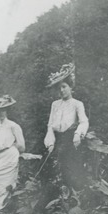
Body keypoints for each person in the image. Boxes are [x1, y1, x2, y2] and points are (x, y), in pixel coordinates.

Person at [43, 63, 89, 195]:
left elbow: (84, 121)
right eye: (59, 88)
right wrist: (50, 141)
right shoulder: (55, 105)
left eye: (64, 87)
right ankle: (58, 197)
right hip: (57, 139)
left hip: (70, 139)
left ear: (70, 87)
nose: (62, 90)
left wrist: (78, 134)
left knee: (70, 168)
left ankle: (73, 195)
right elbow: (50, 125)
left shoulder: (77, 104)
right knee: (50, 168)